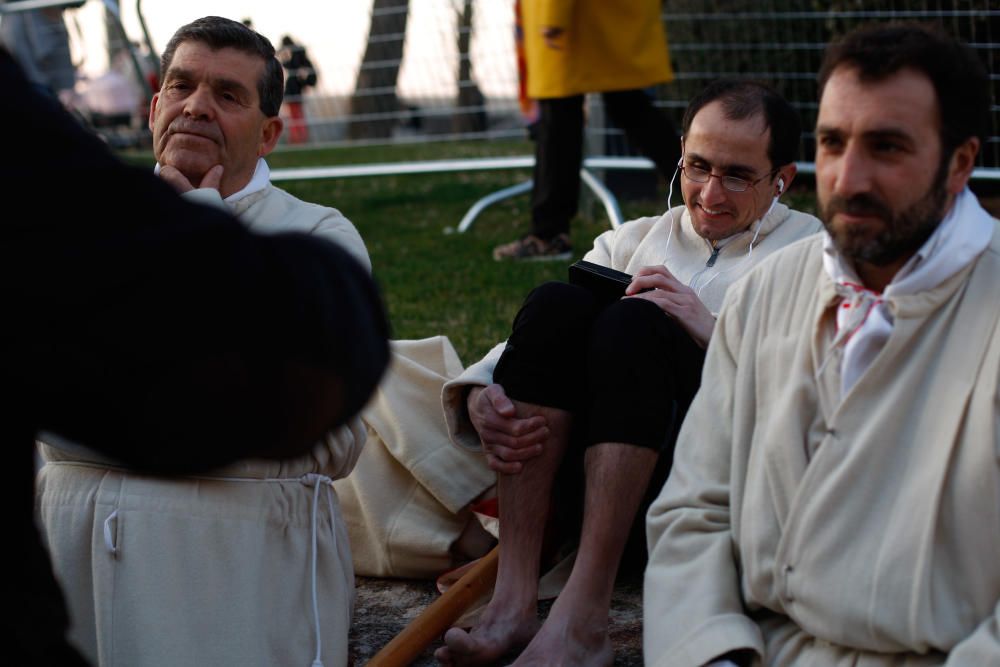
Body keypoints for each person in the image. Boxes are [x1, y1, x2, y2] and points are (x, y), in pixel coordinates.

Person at [2, 43, 388, 667]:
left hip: (228, 570)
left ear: (268, 134)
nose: (197, 107)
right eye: (180, 87)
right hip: (70, 559)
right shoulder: (88, 220)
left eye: (227, 95)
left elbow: (332, 440)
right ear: (154, 108)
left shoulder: (316, 234)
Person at [644, 23, 998, 667]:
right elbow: (692, 513)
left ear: (960, 163)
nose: (848, 176)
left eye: (887, 147)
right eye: (833, 143)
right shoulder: (765, 294)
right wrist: (711, 654)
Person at [436, 80, 823, 665]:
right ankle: (513, 601)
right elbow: (528, 343)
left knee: (634, 323)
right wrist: (479, 395)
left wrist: (707, 327)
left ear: (783, 179)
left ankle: (583, 615)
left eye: (738, 176)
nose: (710, 194)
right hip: (590, 481)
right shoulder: (634, 238)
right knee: (555, 302)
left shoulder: (811, 253)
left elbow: (817, 387)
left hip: (713, 492)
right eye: (698, 167)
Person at [492, 0, 681, 260]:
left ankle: (548, 235)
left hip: (574, 23)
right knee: (631, 111)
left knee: (560, 127)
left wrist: (552, 15)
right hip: (596, 20)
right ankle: (702, 189)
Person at [279, 34, 316, 144]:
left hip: (293, 90)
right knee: (296, 114)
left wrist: (282, 55)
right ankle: (299, 137)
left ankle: (298, 138)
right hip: (295, 89)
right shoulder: (299, 53)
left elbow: (290, 65)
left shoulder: (296, 54)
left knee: (295, 115)